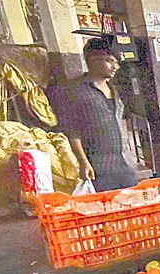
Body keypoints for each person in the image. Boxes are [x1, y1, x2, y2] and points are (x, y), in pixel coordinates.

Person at [59, 37, 136, 192]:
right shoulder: (75, 90)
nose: (115, 67)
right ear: (92, 61)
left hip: (125, 165)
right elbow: (72, 131)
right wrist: (83, 162)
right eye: (109, 61)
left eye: (117, 62)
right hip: (98, 168)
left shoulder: (114, 89)